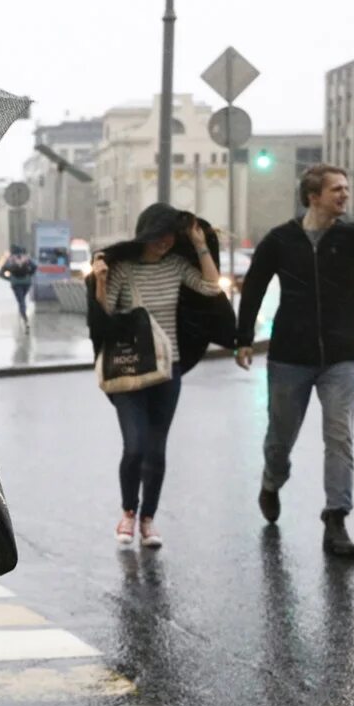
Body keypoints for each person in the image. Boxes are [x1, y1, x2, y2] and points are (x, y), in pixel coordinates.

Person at [236, 167, 354, 558]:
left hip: (342, 357)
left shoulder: (352, 239)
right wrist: (242, 339)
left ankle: (336, 518)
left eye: (346, 189)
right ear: (313, 196)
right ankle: (272, 480)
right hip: (290, 356)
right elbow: (254, 284)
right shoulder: (281, 240)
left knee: (339, 437)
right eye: (336, 189)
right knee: (280, 437)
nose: (344, 195)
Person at [88, 204, 230, 549]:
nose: (166, 241)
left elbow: (211, 288)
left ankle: (148, 519)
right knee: (135, 446)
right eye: (159, 235)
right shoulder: (124, 270)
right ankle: (128, 512)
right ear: (145, 234)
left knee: (156, 449)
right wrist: (102, 281)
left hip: (169, 370)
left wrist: (199, 244)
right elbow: (103, 318)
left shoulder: (177, 266)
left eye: (171, 236)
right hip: (130, 368)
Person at [0, 245, 37, 327]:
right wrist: (29, 275)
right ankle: (23, 315)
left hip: (16, 283)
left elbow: (0, 273)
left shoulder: (11, 260)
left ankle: (24, 317)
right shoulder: (26, 258)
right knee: (22, 299)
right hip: (26, 283)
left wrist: (9, 278)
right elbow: (34, 267)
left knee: (21, 300)